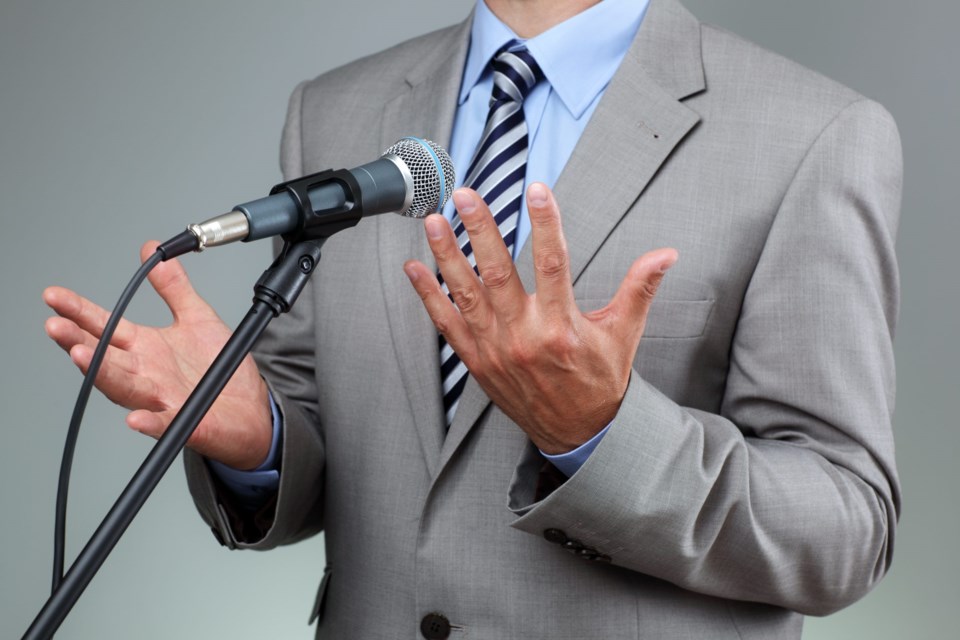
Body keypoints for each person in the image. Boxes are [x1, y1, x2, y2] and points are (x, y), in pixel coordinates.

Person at [43, 0, 902, 637]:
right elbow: (326, 441)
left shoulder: (815, 135)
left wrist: (602, 435)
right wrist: (258, 436)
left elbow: (844, 528)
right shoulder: (335, 110)